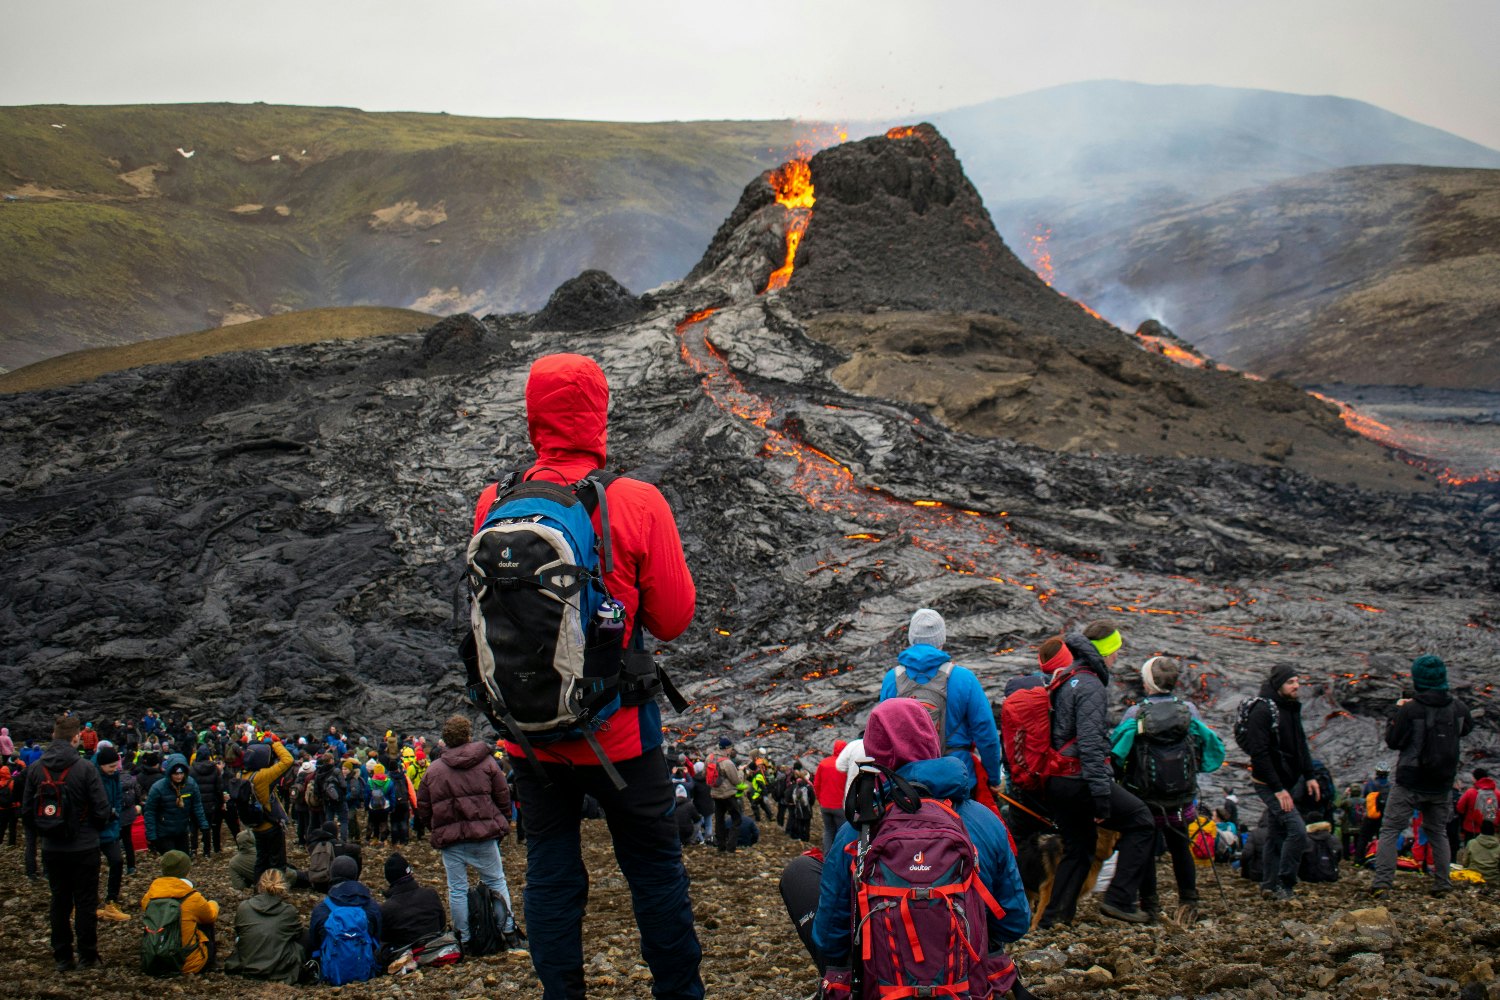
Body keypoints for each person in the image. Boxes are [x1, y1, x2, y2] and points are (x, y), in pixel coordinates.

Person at [471, 354, 701, 998]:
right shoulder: (634, 502)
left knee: (550, 869)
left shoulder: (496, 501)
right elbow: (675, 618)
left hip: (530, 735)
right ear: (598, 414)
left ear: (533, 417)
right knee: (654, 873)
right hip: (622, 736)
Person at [796, 699, 1030, 990]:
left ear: (874, 752)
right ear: (932, 740)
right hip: (967, 986)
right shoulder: (985, 820)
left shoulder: (855, 831)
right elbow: (1015, 922)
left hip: (883, 988)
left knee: (799, 872)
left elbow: (830, 938)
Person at [1036, 629, 1155, 927]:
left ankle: (1055, 919)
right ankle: (1119, 897)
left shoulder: (1066, 677)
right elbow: (1090, 744)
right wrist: (1102, 794)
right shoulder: (1089, 684)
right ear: (1104, 652)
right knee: (1141, 820)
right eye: (1115, 650)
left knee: (1079, 846)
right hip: (1079, 780)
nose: (1117, 657)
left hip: (1058, 779)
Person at [1109, 655, 1225, 922]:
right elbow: (1205, 745)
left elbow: (1117, 750)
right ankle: (1189, 900)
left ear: (1147, 682)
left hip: (1145, 795)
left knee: (1146, 850)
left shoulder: (1135, 714)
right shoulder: (1189, 711)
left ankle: (1149, 904)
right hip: (1181, 796)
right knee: (1181, 845)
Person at [879, 608, 1004, 811]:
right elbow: (986, 734)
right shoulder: (963, 677)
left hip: (908, 782)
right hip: (956, 780)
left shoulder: (891, 679)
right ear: (941, 640)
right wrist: (993, 777)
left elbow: (881, 736)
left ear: (911, 639)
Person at [1370, 655, 1474, 898]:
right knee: (1438, 831)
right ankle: (1442, 883)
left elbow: (1393, 741)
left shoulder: (1410, 709)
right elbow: (1466, 728)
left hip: (1410, 780)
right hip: (1442, 783)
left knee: (1390, 830)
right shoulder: (1458, 707)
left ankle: (1383, 883)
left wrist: (1397, 711)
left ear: (1418, 679)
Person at [416, 714, 521, 950]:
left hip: (452, 841)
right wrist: (502, 821)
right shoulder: (487, 763)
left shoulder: (434, 770)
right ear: (468, 735)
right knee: (496, 881)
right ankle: (508, 930)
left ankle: (463, 938)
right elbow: (503, 794)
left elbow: (423, 805)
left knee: (457, 888)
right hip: (484, 834)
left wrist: (433, 826)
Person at [21, 714, 112, 971]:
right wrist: (91, 828)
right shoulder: (85, 769)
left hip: (52, 848)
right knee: (85, 902)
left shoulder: (36, 769)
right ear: (76, 738)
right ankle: (87, 956)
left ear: (52, 735)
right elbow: (101, 809)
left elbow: (27, 812)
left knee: (59, 900)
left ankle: (62, 957)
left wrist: (47, 830)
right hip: (84, 846)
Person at [1239, 663, 1320, 901]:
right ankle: (1285, 884)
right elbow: (1259, 754)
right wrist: (1278, 790)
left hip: (1288, 780)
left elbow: (1300, 743)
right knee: (1297, 831)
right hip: (1268, 782)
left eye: (1297, 681)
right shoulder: (1263, 711)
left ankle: (1269, 884)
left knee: (1276, 834)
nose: (1297, 686)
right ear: (1278, 685)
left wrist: (1310, 775)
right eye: (1291, 682)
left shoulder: (1291, 707)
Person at [141, 850, 220, 974]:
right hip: (186, 964)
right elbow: (210, 916)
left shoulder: (149, 896)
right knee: (205, 921)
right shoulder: (192, 897)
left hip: (154, 962)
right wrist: (213, 903)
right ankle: (210, 964)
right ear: (187, 871)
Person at [224, 868, 307, 983]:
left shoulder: (244, 907)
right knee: (303, 937)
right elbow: (298, 934)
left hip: (248, 965)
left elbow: (239, 933)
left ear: (260, 885)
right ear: (283, 887)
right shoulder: (289, 911)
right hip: (279, 970)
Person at [307, 856, 380, 983]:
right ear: (356, 875)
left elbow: (314, 944)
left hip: (331, 973)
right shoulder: (371, 907)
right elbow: (378, 938)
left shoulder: (321, 909)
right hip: (365, 972)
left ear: (332, 875)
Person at [378, 851, 447, 967]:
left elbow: (385, 937)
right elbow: (442, 925)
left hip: (406, 956)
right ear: (409, 872)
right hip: (435, 948)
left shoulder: (387, 908)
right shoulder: (430, 894)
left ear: (389, 879)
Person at [248, 736, 295, 883]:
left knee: (261, 859)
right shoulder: (262, 777)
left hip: (256, 825)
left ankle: (258, 889)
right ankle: (275, 889)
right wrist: (275, 743)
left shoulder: (243, 775)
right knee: (277, 861)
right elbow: (288, 760)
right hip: (271, 825)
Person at [93, 745, 133, 923]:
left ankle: (111, 902)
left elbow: (117, 798)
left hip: (110, 828)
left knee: (117, 861)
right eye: (110, 767)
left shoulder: (115, 776)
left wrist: (115, 820)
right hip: (92, 830)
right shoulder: (91, 776)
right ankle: (86, 904)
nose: (114, 769)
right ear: (101, 765)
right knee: (90, 868)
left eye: (115, 766)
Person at [144, 753, 209, 855]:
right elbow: (150, 811)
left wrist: (203, 825)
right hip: (164, 832)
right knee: (172, 862)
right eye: (175, 774)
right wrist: (151, 835)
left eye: (181, 773)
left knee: (184, 860)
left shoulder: (191, 785)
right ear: (169, 773)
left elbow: (197, 806)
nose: (179, 777)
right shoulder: (158, 788)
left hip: (182, 830)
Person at [812, 739, 848, 853]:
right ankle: (837, 858)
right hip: (840, 806)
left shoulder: (824, 763)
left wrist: (820, 800)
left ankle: (827, 856)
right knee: (841, 833)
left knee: (828, 831)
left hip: (825, 805)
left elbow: (816, 784)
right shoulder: (846, 766)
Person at [710, 742, 745, 854]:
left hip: (715, 793)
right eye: (730, 748)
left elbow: (705, 774)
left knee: (719, 819)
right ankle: (731, 847)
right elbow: (736, 781)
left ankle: (721, 846)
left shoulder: (709, 758)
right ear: (727, 748)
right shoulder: (727, 762)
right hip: (728, 794)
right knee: (737, 819)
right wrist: (740, 772)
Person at [1455, 768, 1498, 844]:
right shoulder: (1496, 793)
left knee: (1471, 850)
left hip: (1471, 828)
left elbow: (1459, 808)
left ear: (1475, 779)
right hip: (1490, 829)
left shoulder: (1470, 792)